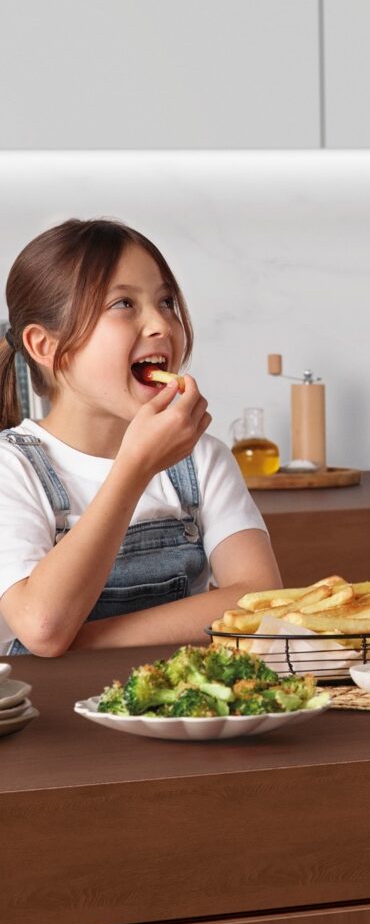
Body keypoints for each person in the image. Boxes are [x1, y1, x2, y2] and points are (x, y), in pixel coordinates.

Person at [0, 218, 281, 656]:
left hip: (181, 711)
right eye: (123, 304)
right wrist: (135, 467)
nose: (161, 325)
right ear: (45, 346)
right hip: (55, 720)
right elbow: (43, 626)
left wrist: (88, 640)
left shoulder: (200, 458)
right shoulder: (11, 469)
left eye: (166, 301)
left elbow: (261, 601)